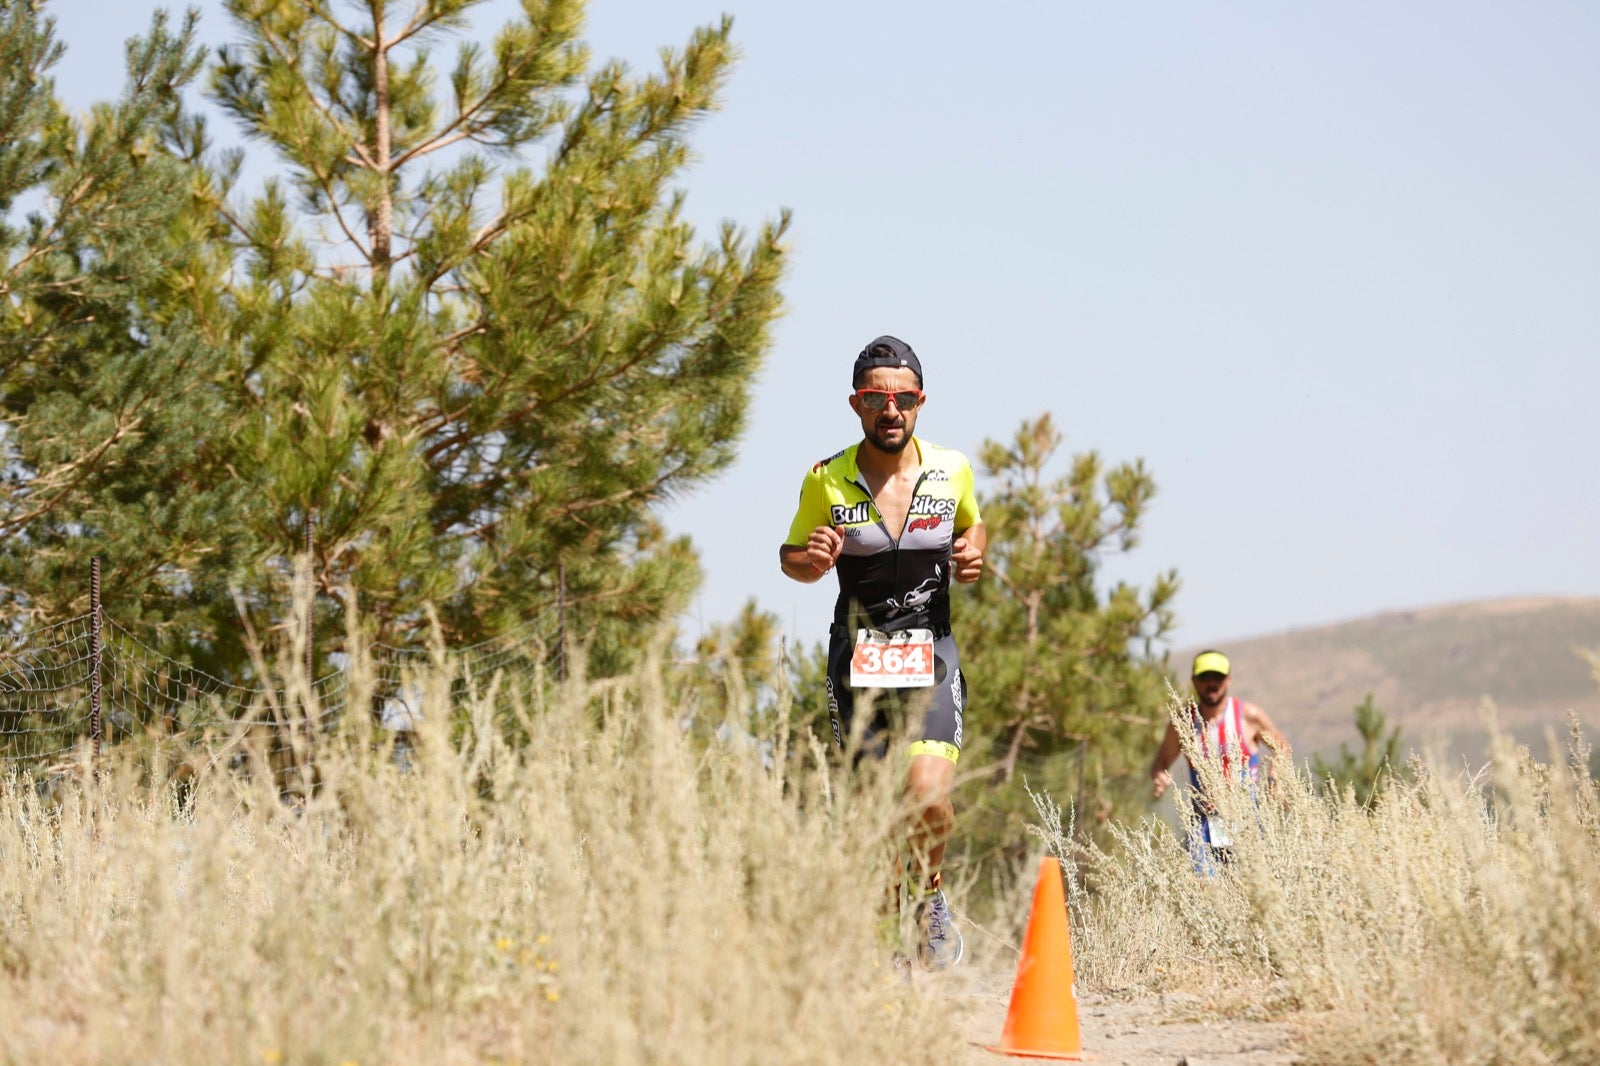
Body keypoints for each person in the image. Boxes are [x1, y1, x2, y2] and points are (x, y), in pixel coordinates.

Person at [778, 334, 986, 971]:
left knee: (926, 794)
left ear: (920, 403)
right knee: (872, 811)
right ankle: (885, 937)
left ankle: (929, 899)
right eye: (875, 398)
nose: (889, 410)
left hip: (931, 653)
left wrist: (975, 551)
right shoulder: (826, 479)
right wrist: (810, 562)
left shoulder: (951, 469)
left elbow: (972, 523)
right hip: (858, 663)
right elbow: (789, 559)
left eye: (903, 398)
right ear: (856, 404)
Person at [1150, 650, 1290, 873]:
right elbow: (1161, 761)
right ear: (1194, 681)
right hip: (1204, 821)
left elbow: (1281, 747)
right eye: (1204, 678)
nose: (1211, 684)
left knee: (1247, 884)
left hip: (1245, 819)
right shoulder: (1184, 722)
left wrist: (1275, 778)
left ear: (1228, 679)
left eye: (1217, 677)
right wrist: (1160, 775)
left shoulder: (1248, 716)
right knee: (1207, 889)